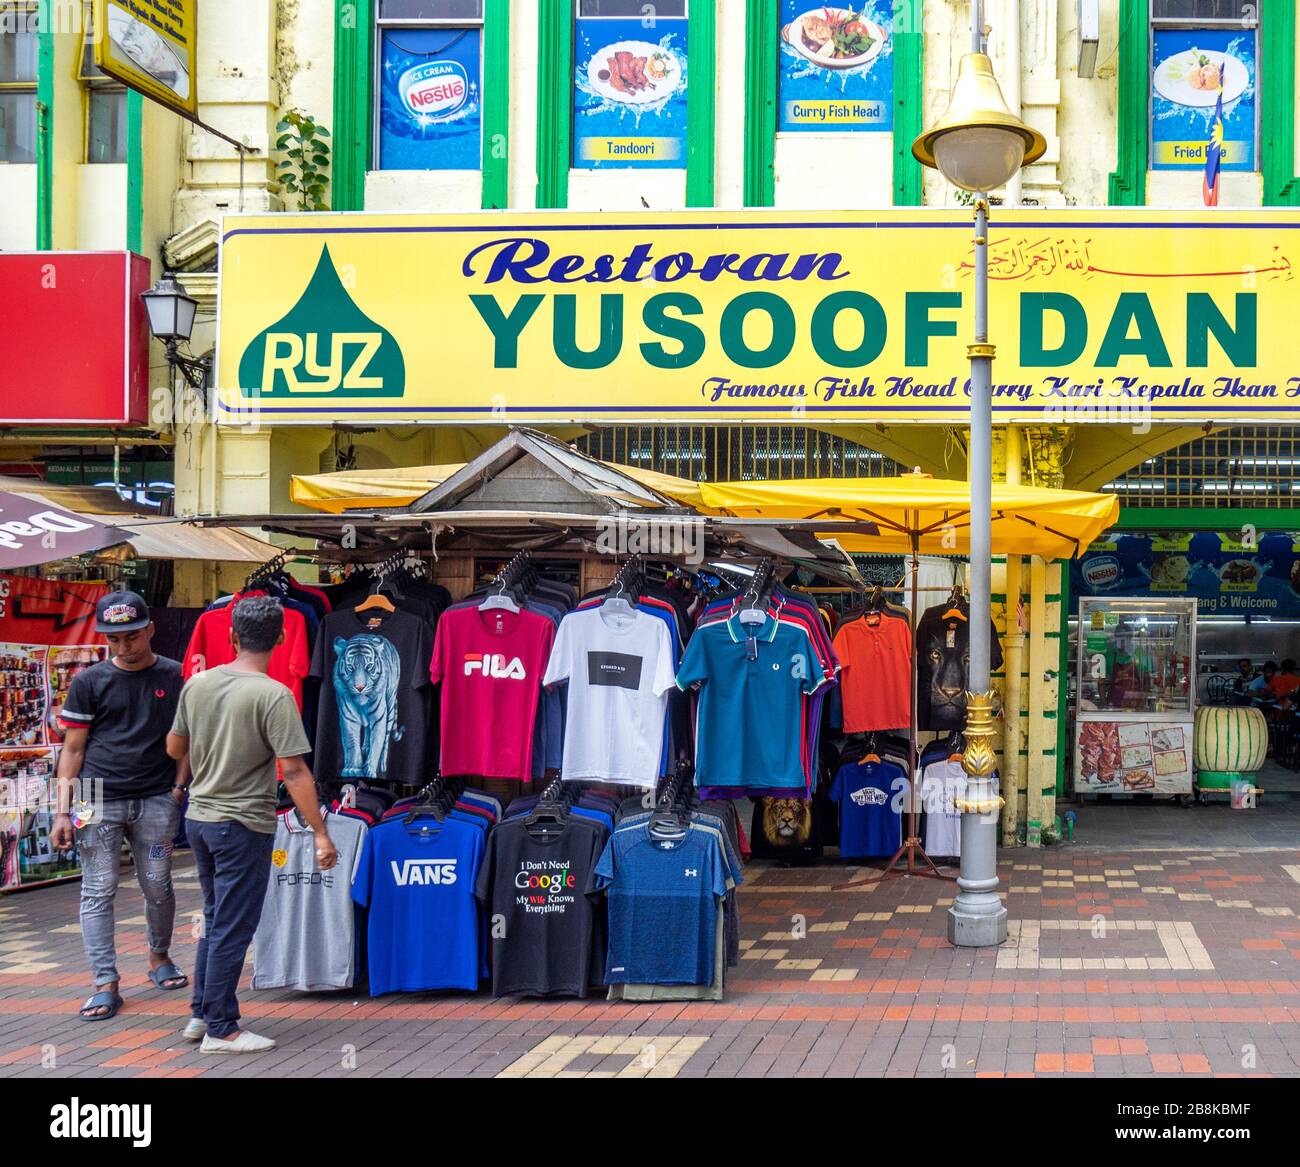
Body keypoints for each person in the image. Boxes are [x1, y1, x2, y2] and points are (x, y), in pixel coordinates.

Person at [167, 595, 337, 1054]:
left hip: (200, 819)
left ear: (231, 636)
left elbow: (173, 748)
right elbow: (295, 770)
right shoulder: (273, 694)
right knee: (232, 927)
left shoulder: (197, 685)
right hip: (242, 823)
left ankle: (202, 1014)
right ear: (282, 638)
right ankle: (222, 1028)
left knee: (216, 918)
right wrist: (320, 831)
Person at [51, 592, 189, 1021]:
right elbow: (72, 750)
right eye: (114, 639)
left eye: (131, 636)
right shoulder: (89, 681)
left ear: (149, 629)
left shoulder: (176, 675)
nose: (124, 646)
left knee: (158, 883)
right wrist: (60, 812)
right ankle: (104, 982)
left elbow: (188, 738)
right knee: (97, 888)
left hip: (156, 794)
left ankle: (158, 957)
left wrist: (179, 788)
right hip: (93, 795)